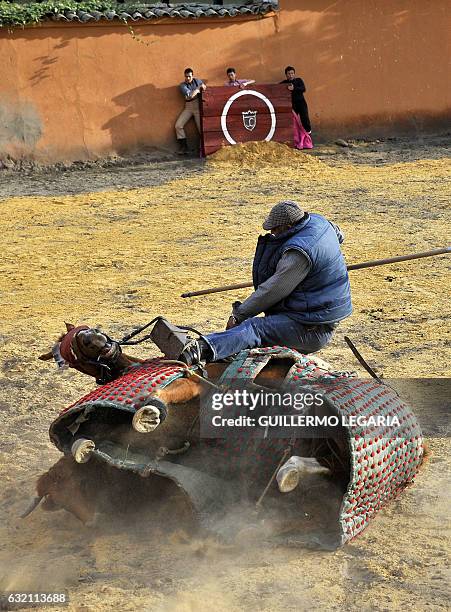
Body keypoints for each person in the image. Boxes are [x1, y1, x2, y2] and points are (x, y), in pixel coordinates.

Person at [179, 200, 352, 365]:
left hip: (311, 327)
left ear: (289, 227)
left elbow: (272, 291)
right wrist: (322, 265)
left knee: (255, 328)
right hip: (318, 314)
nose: (272, 233)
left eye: (275, 229)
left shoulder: (298, 255)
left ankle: (200, 349)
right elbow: (339, 235)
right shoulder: (320, 223)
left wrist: (239, 315)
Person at [175, 67, 207, 155]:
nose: (187, 78)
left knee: (202, 129)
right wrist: (198, 89)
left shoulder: (197, 81)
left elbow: (204, 87)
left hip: (198, 107)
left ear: (192, 76)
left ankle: (204, 148)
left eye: (189, 76)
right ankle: (184, 147)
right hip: (188, 107)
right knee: (178, 125)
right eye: (186, 76)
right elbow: (191, 95)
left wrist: (202, 86)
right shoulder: (182, 85)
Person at [280, 66, 311, 133]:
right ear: (286, 75)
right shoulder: (284, 83)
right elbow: (276, 88)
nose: (291, 75)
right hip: (292, 105)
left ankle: (308, 135)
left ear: (294, 74)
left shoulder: (299, 80)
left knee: (305, 119)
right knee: (293, 121)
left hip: (301, 103)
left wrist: (294, 88)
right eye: (289, 74)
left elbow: (303, 89)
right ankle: (296, 137)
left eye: (292, 73)